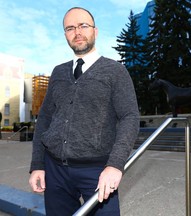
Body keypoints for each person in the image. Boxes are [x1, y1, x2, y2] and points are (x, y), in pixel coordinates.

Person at [29, 7, 139, 216]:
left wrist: (115, 165)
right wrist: (37, 164)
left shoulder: (115, 71)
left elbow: (129, 117)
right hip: (55, 171)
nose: (77, 32)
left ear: (95, 31)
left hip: (97, 171)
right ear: (65, 35)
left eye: (83, 26)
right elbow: (44, 119)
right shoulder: (58, 72)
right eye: (70, 28)